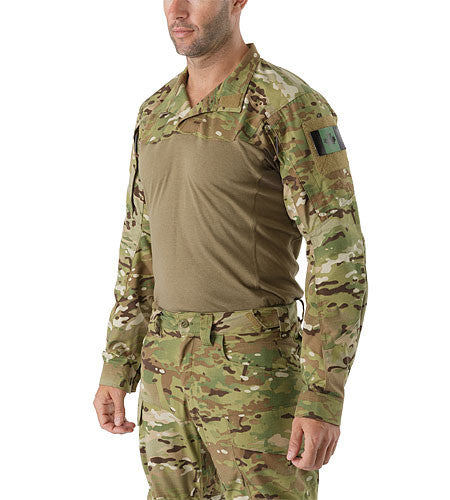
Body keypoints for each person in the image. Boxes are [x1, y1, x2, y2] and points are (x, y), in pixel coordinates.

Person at [93, 1, 368, 499]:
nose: (177, 10)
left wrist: (323, 394)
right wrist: (119, 363)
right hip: (164, 368)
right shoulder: (155, 113)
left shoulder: (286, 104)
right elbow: (139, 243)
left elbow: (338, 253)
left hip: (255, 369)